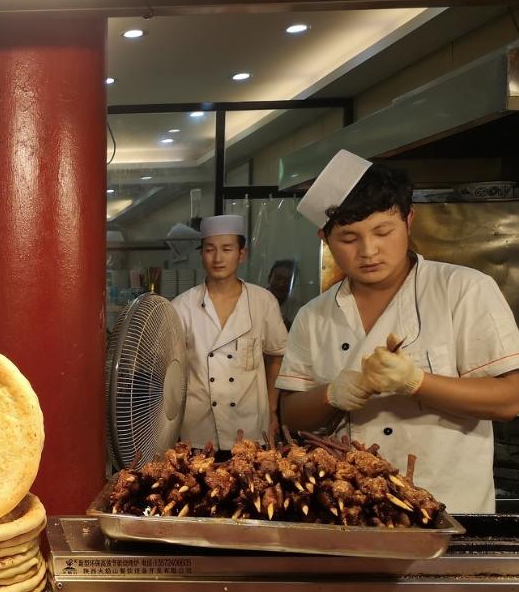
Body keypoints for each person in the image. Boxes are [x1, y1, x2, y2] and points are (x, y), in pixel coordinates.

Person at [277, 150, 519, 513]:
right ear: (324, 238)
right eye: (348, 238)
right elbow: (290, 414)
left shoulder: (463, 289)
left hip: (446, 506)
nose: (368, 250)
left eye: (383, 231)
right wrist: (332, 394)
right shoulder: (314, 315)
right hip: (348, 508)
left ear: (409, 220)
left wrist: (416, 383)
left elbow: (509, 400)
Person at [171, 214, 288, 454]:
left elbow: (276, 356)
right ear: (201, 254)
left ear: (241, 254)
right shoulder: (181, 306)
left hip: (251, 427)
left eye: (227, 249)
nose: (218, 258)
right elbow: (171, 369)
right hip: (198, 433)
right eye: (209, 249)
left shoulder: (263, 301)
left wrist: (272, 410)